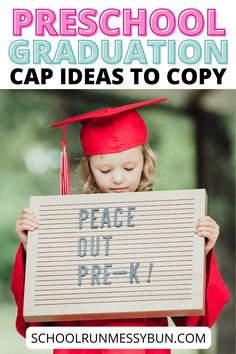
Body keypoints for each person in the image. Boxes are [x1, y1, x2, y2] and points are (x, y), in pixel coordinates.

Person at [12, 98, 230, 354]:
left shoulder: (164, 223)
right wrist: (33, 248)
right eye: (105, 170)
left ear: (145, 163)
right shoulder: (69, 225)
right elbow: (39, 318)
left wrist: (198, 251)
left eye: (129, 167)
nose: (118, 178)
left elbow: (192, 320)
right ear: (90, 169)